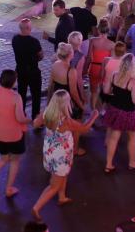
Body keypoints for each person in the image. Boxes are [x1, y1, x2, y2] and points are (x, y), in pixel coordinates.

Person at [31, 90, 100, 222]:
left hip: (50, 152)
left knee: (62, 174)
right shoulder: (66, 121)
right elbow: (84, 128)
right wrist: (94, 116)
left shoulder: (46, 113)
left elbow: (34, 123)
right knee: (54, 185)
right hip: (61, 155)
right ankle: (36, 207)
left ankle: (62, 197)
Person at [0, 70, 31, 198]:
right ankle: (8, 188)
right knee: (14, 160)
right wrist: (29, 120)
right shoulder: (16, 97)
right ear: (14, 81)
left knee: (3, 158)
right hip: (13, 135)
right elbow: (20, 118)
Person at [103, 53, 135, 172]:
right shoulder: (133, 81)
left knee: (114, 138)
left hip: (114, 110)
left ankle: (108, 164)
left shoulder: (115, 75)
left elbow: (106, 90)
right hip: (128, 113)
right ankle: (132, 162)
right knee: (132, 138)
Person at [12, 18, 44, 119]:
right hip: (33, 71)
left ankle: (21, 114)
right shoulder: (34, 41)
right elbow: (41, 55)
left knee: (21, 94)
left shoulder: (15, 39)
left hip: (20, 70)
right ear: (28, 28)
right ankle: (35, 116)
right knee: (36, 95)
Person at [87, 19, 115, 111]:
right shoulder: (112, 44)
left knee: (94, 92)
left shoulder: (93, 41)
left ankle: (93, 111)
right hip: (105, 69)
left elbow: (88, 57)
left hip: (94, 67)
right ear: (108, 30)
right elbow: (111, 62)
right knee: (105, 91)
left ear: (98, 29)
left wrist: (84, 69)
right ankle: (102, 111)